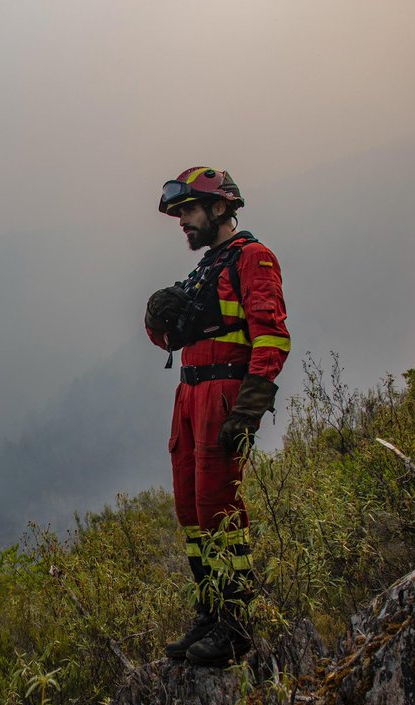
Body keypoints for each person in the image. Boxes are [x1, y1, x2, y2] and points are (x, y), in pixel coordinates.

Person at [144, 167, 290, 667]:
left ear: (220, 207)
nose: (182, 221)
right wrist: (155, 319)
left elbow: (272, 335)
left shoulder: (254, 259)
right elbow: (174, 340)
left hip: (224, 396)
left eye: (188, 210)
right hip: (188, 399)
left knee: (219, 509)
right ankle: (211, 612)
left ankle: (235, 626)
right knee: (192, 512)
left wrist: (248, 410)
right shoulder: (207, 268)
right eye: (179, 212)